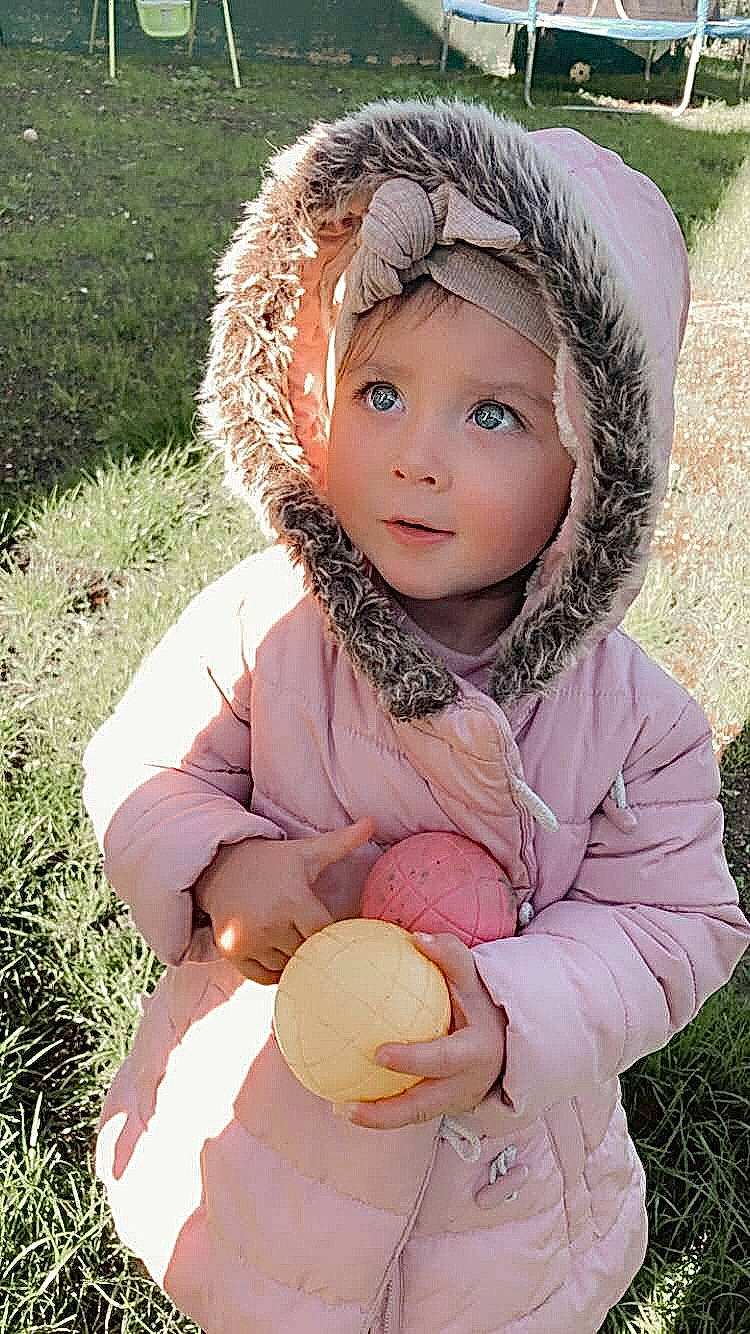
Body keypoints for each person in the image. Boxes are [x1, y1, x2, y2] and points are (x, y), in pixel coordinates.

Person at [82, 99, 749, 1333]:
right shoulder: (263, 621)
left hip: (492, 1202)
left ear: (596, 468)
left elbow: (677, 920)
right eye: (380, 390)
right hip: (279, 1134)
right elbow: (137, 763)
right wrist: (222, 863)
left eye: (493, 414)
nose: (413, 456)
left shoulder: (630, 718)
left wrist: (514, 1015)